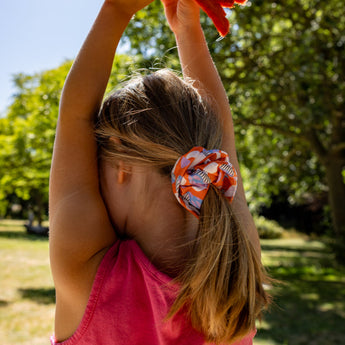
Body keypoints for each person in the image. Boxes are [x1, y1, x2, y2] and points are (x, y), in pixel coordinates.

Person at [49, 0, 270, 344]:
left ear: (121, 166)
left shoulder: (91, 275)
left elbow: (75, 118)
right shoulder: (236, 269)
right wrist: (185, 29)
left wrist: (120, 11)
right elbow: (220, 134)